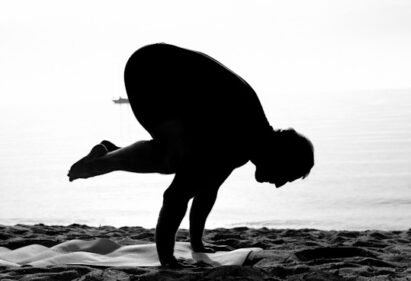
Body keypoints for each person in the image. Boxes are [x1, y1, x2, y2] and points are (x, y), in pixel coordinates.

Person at [67, 43, 314, 268]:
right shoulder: (235, 138)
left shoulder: (246, 142)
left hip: (167, 76)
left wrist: (197, 244)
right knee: (175, 160)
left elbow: (207, 191)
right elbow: (175, 196)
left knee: (186, 162)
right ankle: (104, 162)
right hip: (151, 69)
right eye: (287, 176)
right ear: (281, 157)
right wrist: (168, 262)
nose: (280, 184)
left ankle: (110, 151)